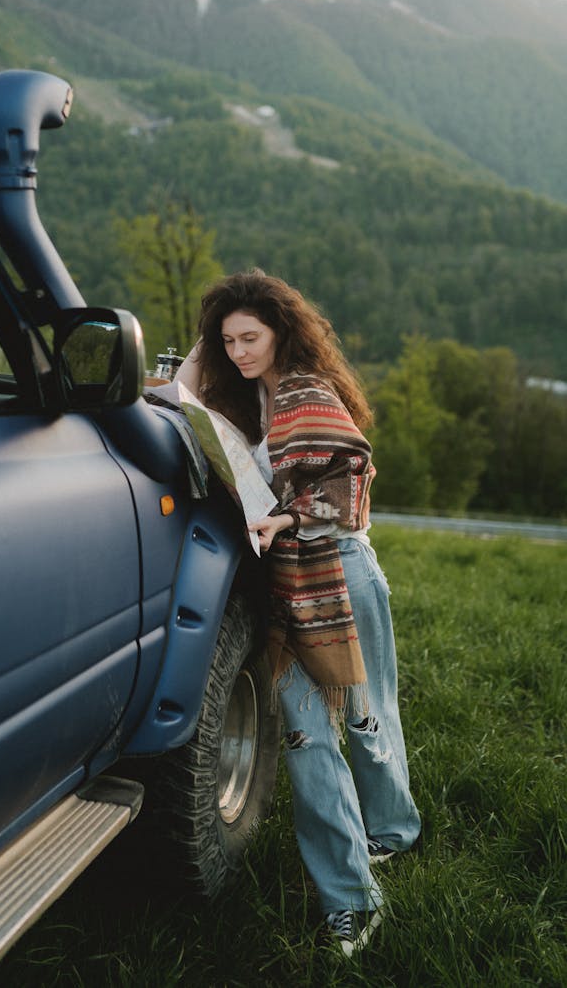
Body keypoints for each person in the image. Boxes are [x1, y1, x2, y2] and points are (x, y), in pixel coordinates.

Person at [173, 268, 421, 957]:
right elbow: (182, 392)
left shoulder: (307, 391)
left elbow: (353, 487)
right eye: (227, 340)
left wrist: (288, 514)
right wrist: (205, 340)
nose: (238, 350)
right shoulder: (250, 392)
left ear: (282, 331)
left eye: (250, 336)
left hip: (342, 574)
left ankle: (394, 831)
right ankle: (352, 899)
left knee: (367, 720)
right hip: (285, 588)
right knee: (309, 741)